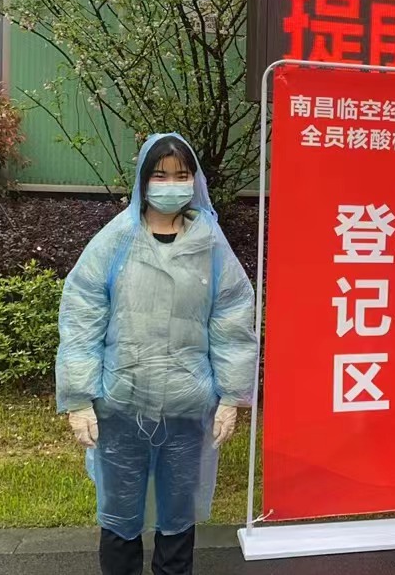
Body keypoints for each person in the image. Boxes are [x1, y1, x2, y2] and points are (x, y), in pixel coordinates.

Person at [56, 133, 258, 575]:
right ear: (143, 181)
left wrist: (231, 396)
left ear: (194, 181)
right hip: (122, 405)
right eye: (160, 175)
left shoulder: (209, 243)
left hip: (188, 406)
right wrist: (78, 397)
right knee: (119, 517)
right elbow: (82, 317)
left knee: (177, 518)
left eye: (181, 175)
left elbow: (232, 320)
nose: (171, 185)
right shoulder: (116, 241)